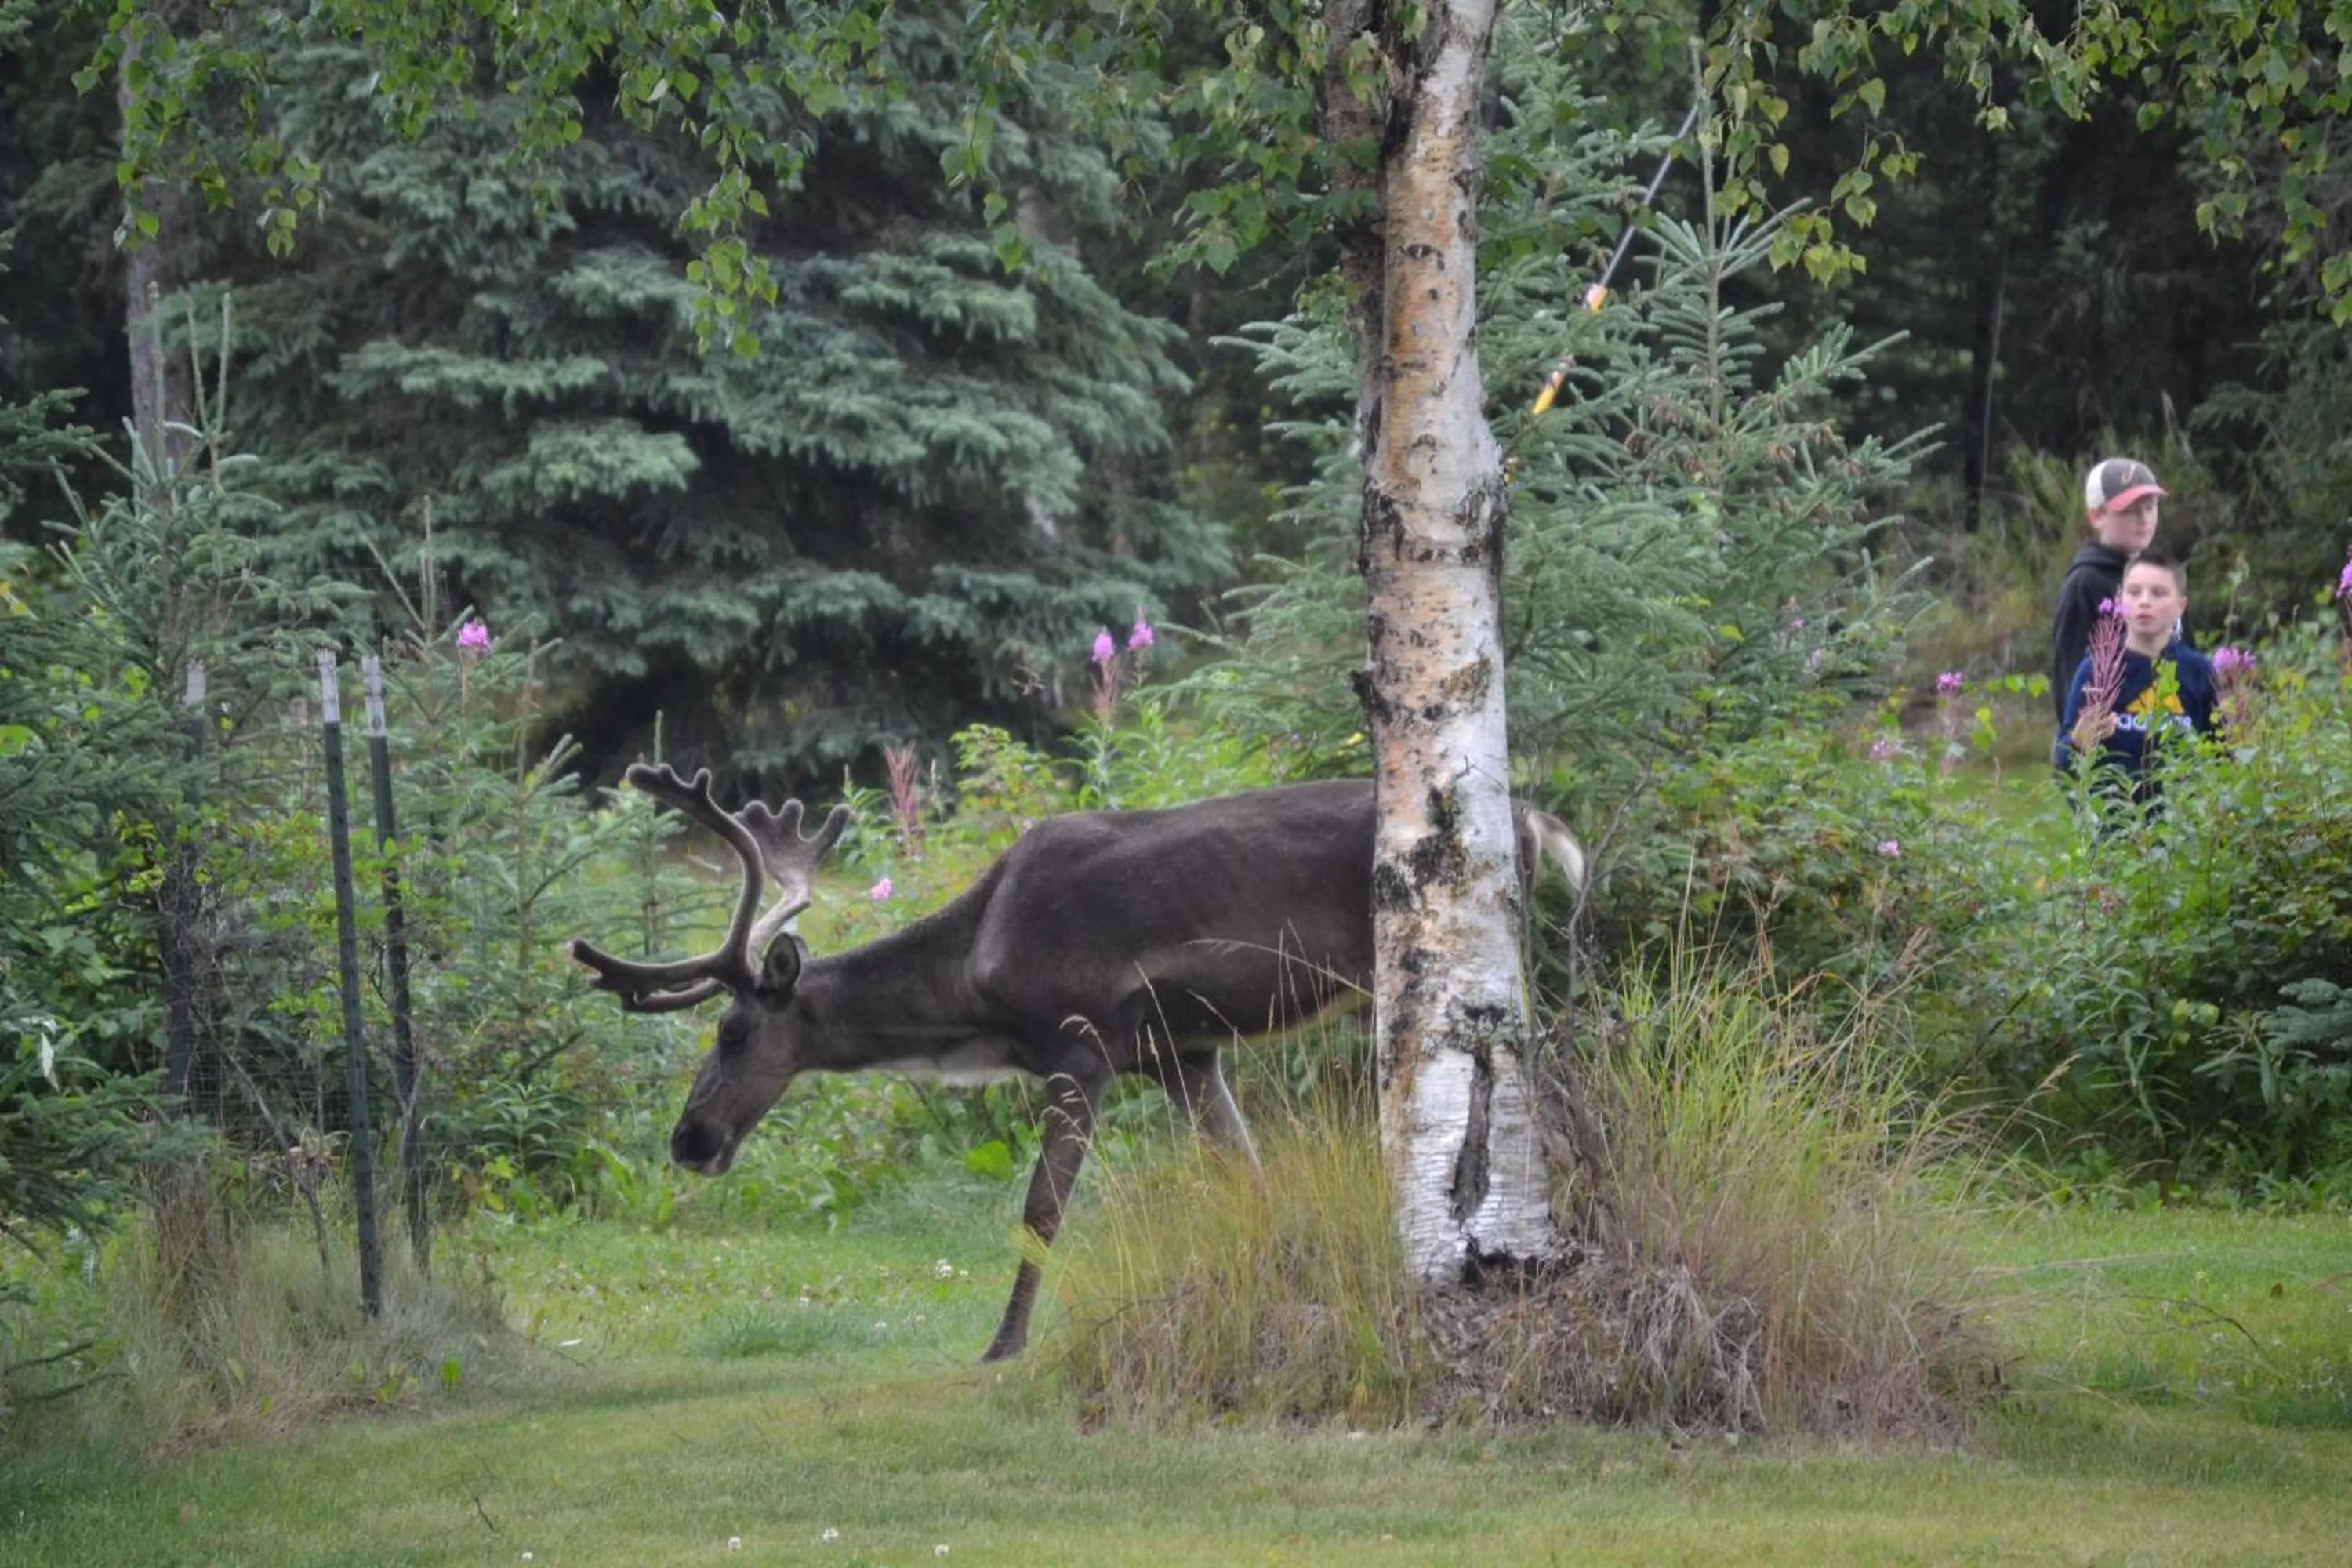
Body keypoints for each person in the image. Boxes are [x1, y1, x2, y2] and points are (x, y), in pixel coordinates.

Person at [2055, 547, 2219, 803]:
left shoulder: (2199, 671)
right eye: (2134, 592)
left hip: (2183, 819)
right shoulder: (2096, 669)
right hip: (2115, 819)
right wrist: (2079, 742)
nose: (2144, 601)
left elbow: (2221, 756)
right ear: (2120, 599)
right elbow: (2063, 763)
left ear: (2181, 606)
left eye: (2158, 593)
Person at [2049, 456, 2165, 725]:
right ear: (2097, 515)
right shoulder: (2084, 583)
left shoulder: (2164, 578)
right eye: (2129, 510)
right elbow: (2070, 678)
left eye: (2150, 507)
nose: (2143, 518)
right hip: (2110, 739)